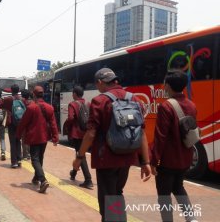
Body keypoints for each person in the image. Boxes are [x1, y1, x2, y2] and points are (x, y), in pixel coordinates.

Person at [72, 68, 151, 221]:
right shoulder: (134, 99)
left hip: (106, 159)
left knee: (107, 200)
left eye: (97, 85)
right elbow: (141, 132)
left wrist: (79, 157)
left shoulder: (99, 101)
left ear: (100, 82)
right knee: (117, 193)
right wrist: (145, 162)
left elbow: (91, 134)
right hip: (127, 158)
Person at [150, 69, 198, 222]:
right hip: (185, 159)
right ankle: (191, 219)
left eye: (165, 84)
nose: (164, 87)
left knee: (164, 196)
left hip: (168, 161)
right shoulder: (191, 105)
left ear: (168, 86)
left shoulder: (166, 107)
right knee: (179, 187)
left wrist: (154, 161)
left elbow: (160, 137)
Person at [16, 86, 59, 194]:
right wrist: (55, 137)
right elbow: (53, 124)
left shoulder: (31, 107)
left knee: (35, 159)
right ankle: (36, 178)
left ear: (34, 95)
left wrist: (17, 135)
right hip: (44, 137)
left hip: (34, 137)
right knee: (40, 158)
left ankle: (43, 180)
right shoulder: (49, 107)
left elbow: (23, 123)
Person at [67, 86, 93, 189]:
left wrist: (68, 127)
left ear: (75, 94)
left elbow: (70, 118)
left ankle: (88, 179)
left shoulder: (72, 104)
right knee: (79, 153)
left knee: (81, 155)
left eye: (73, 93)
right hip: (87, 133)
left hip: (77, 134)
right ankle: (73, 173)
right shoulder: (88, 104)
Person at [0, 84, 24, 168]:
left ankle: (14, 162)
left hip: (11, 123)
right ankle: (19, 160)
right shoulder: (22, 99)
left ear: (11, 90)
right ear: (19, 90)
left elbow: (0, 105)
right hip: (20, 123)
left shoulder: (8, 99)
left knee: (12, 142)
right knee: (18, 141)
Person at [20, 89, 32, 160]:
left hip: (24, 122)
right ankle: (30, 154)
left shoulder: (21, 101)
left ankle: (25, 155)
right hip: (31, 123)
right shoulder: (32, 102)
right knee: (30, 138)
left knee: (24, 139)